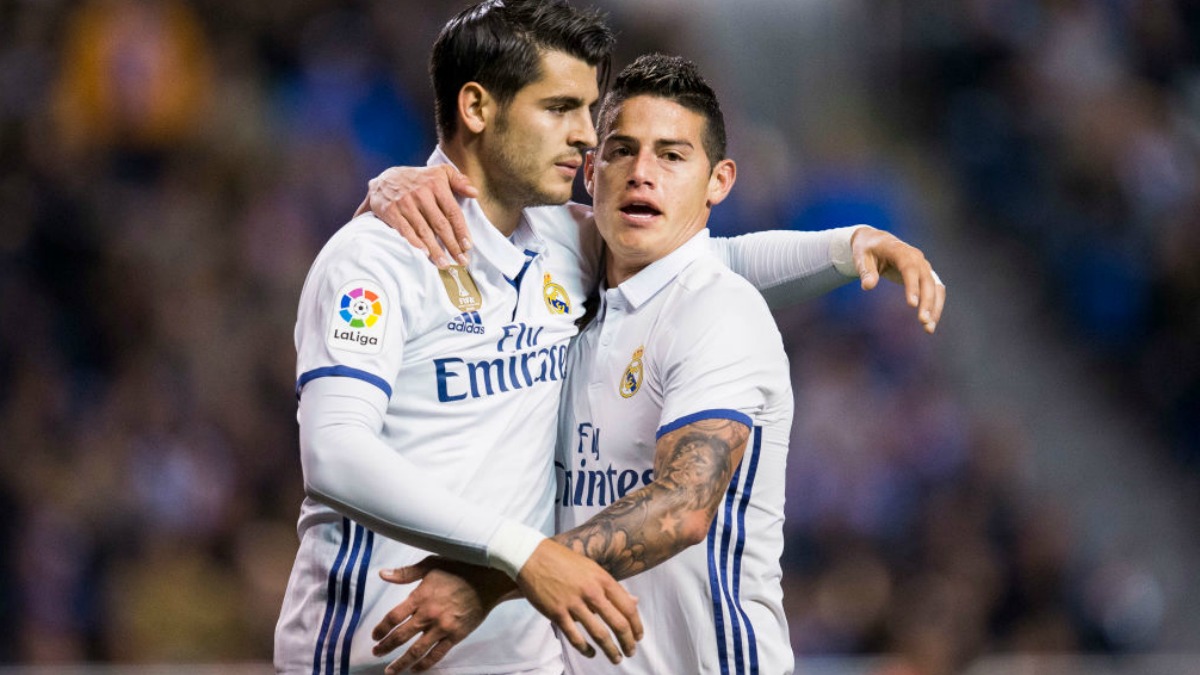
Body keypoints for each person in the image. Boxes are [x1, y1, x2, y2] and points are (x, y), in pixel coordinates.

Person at [277, 1, 945, 673]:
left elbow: (708, 262)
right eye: (559, 108)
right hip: (379, 649)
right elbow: (335, 455)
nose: (585, 138)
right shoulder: (378, 259)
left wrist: (850, 246)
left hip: (517, 654)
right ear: (477, 108)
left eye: (588, 111)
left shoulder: (566, 242)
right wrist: (521, 552)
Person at [369, 52, 808, 675]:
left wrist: (496, 578)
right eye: (621, 151)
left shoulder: (718, 309)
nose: (641, 174)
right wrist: (391, 185)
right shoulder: (570, 307)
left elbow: (684, 507)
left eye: (673, 155)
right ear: (590, 170)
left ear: (720, 182)